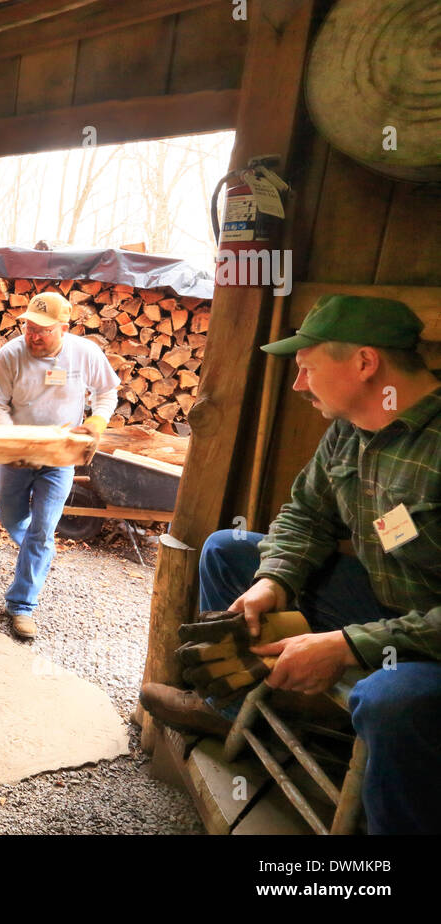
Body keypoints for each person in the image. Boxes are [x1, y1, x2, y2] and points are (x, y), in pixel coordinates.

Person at [140, 293, 441, 834]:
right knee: (229, 550)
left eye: (306, 369)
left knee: (387, 699)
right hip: (386, 599)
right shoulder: (349, 429)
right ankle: (226, 706)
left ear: (365, 363)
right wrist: (273, 581)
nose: (298, 385)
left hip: (433, 637)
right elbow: (306, 515)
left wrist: (348, 644)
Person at [0, 291, 120, 639]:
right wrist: (13, 440)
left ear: (64, 327)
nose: (34, 335)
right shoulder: (10, 355)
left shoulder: (85, 353)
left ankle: (22, 605)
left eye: (43, 329)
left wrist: (99, 421)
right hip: (16, 454)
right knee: (11, 518)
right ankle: (37, 551)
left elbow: (107, 392)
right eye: (29, 327)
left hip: (60, 456)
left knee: (43, 528)